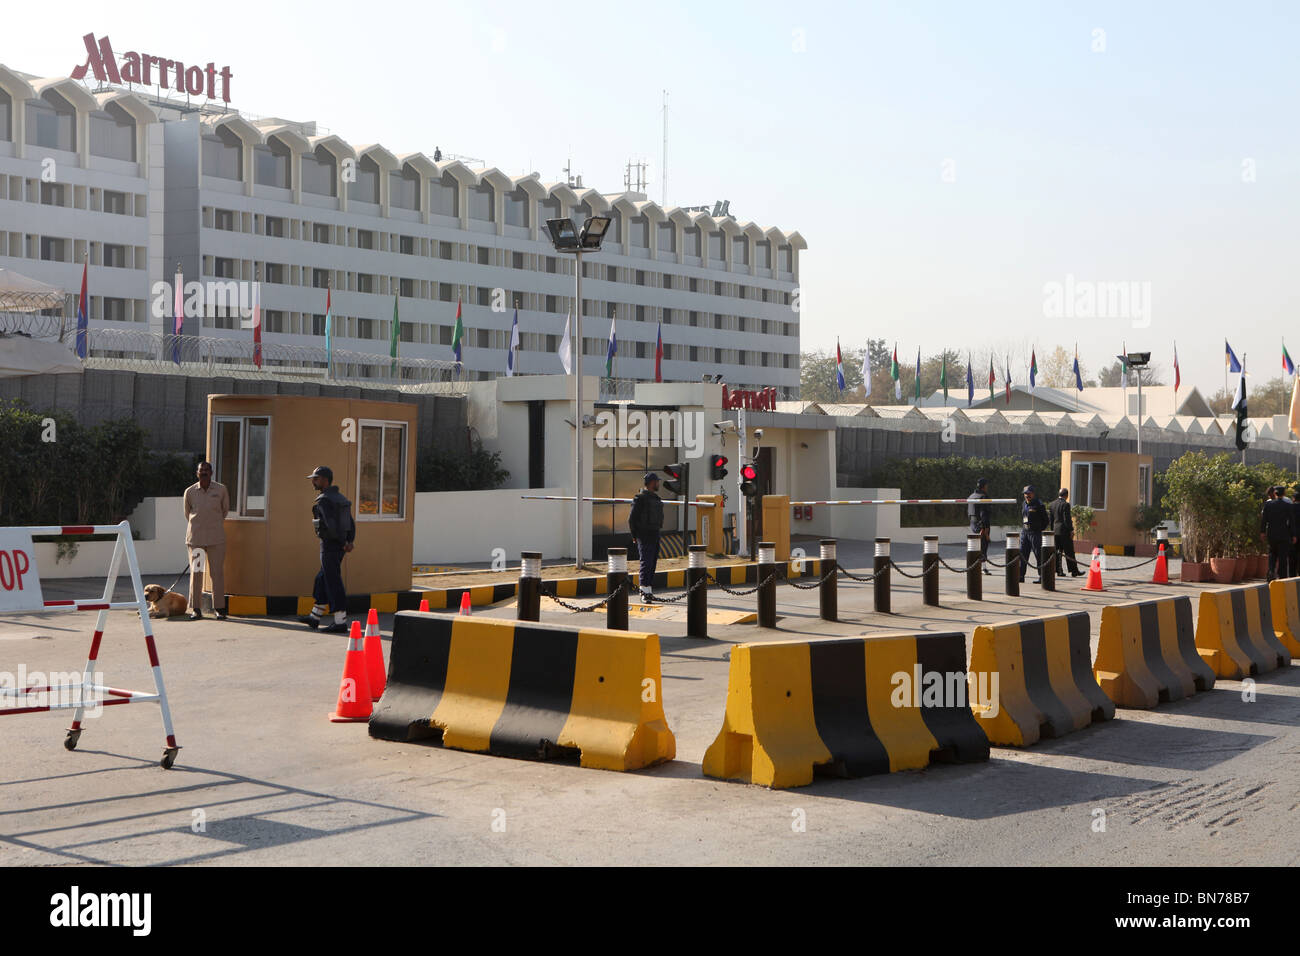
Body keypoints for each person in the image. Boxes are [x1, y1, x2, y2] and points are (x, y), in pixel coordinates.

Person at [300, 465, 355, 632]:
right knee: (322, 578)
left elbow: (330, 525)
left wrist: (341, 542)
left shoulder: (324, 500)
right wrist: (349, 541)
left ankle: (340, 621)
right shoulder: (340, 498)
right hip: (339, 546)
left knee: (332, 581)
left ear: (324, 480)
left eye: (315, 479)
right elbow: (351, 523)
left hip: (330, 545)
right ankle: (314, 616)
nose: (313, 482)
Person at [182, 460, 230, 620]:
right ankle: (196, 609)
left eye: (207, 470)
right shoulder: (190, 491)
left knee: (217, 574)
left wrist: (211, 524)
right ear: (197, 473)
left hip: (216, 539)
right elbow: (187, 514)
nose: (204, 473)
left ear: (211, 472)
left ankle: (219, 609)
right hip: (196, 539)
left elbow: (224, 511)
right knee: (196, 573)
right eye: (201, 471)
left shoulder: (221, 490)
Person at [628, 472, 664, 602]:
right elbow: (632, 518)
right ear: (651, 483)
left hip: (655, 533)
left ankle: (649, 590)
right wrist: (634, 535)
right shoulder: (640, 498)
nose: (658, 484)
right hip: (644, 535)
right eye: (657, 482)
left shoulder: (656, 498)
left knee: (652, 563)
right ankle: (643, 592)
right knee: (646, 562)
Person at [1260, 486, 1294, 581]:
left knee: (1272, 553)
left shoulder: (1268, 504)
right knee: (1282, 556)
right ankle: (1282, 576)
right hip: (1284, 534)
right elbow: (1291, 521)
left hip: (1271, 533)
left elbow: (1264, 519)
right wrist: (1293, 534)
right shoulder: (1287, 505)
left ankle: (1271, 570)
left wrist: (1262, 532)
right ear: (1284, 494)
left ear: (1275, 493)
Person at [1049, 488, 1083, 577]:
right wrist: (1071, 530)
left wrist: (1052, 531)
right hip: (1064, 531)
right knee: (1069, 552)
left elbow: (1051, 520)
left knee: (1057, 551)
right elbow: (1066, 519)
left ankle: (1059, 570)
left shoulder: (1052, 504)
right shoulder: (1065, 505)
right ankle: (1074, 571)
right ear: (1066, 495)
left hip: (1055, 531)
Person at [1019, 484, 1048, 584]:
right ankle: (1020, 575)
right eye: (1025, 494)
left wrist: (1039, 529)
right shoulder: (1024, 503)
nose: (1027, 495)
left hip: (1035, 533)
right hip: (1025, 532)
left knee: (1038, 555)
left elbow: (1046, 520)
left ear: (1033, 494)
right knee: (1022, 553)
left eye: (1029, 493)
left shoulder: (1038, 504)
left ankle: (1041, 576)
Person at [967, 478, 992, 574]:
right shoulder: (983, 497)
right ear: (984, 486)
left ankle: (974, 566)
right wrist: (985, 530)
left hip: (973, 524)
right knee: (983, 546)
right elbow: (984, 514)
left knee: (975, 547)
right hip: (981, 525)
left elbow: (969, 512)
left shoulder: (971, 496)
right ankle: (983, 568)